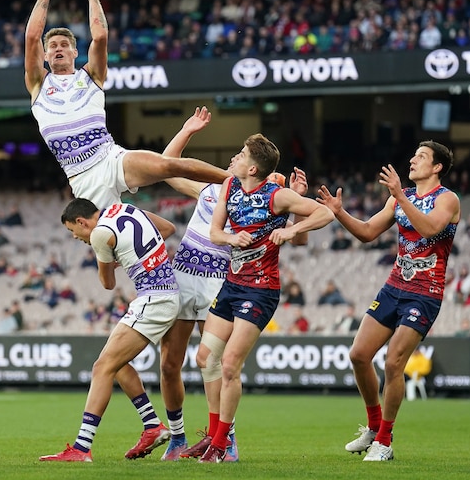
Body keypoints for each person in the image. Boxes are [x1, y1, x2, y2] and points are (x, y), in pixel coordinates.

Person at [157, 109, 312, 462]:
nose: (233, 158)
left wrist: (296, 215)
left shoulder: (262, 198)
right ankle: (179, 437)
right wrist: (188, 129)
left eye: (240, 155)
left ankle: (223, 437)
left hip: (222, 278)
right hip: (184, 273)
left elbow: (298, 240)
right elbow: (168, 165)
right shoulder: (212, 189)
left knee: (216, 362)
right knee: (170, 363)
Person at [24, 0, 227, 209]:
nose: (58, 48)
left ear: (75, 52)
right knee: (117, 243)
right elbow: (31, 38)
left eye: (64, 44)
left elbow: (100, 37)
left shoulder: (91, 75)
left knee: (169, 165)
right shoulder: (39, 83)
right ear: (45, 54)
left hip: (110, 158)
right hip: (82, 178)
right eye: (52, 46)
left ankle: (235, 182)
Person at [193, 133, 334, 463]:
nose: (236, 157)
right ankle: (216, 437)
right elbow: (215, 232)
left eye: (241, 154)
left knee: (229, 364)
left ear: (253, 168)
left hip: (260, 289)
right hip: (232, 284)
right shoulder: (230, 187)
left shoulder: (277, 196)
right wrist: (231, 236)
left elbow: (326, 213)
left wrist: (292, 230)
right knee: (205, 358)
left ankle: (223, 444)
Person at [317, 140, 460, 462]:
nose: (413, 160)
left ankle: (384, 440)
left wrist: (397, 196)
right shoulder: (404, 198)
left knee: (394, 363)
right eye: (414, 154)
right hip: (394, 287)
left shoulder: (448, 199)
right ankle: (373, 425)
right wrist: (340, 213)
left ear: (437, 167)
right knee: (358, 355)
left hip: (425, 293)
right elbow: (367, 232)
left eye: (421, 157)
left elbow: (429, 230)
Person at [40, 198, 180, 462]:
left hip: (154, 299)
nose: (74, 236)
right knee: (115, 364)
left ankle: (82, 449)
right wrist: (131, 254)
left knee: (101, 367)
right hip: (165, 294)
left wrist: (109, 259)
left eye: (73, 230)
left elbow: (107, 283)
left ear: (82, 221)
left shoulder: (100, 234)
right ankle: (152, 426)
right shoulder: (124, 208)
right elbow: (168, 229)